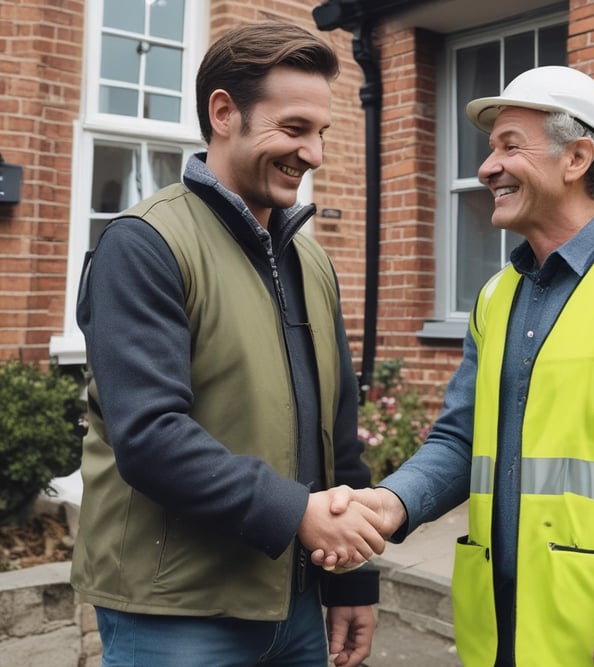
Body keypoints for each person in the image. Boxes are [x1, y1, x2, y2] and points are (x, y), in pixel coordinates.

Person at [317, 66, 594, 666]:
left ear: (577, 158)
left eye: (511, 146)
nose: (487, 168)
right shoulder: (495, 296)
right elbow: (462, 438)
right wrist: (392, 502)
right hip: (501, 632)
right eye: (491, 150)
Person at [71, 22, 386, 667]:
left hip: (295, 608)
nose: (315, 154)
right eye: (294, 128)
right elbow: (152, 436)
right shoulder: (143, 244)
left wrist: (351, 577)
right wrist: (298, 512)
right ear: (223, 113)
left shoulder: (311, 260)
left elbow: (339, 430)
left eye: (320, 133)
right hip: (175, 614)